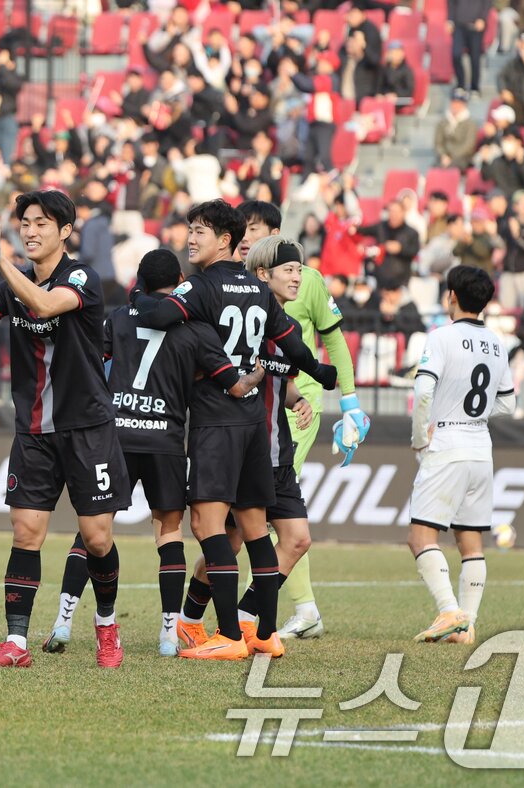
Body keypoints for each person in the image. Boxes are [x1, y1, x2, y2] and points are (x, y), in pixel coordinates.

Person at [0, 191, 136, 669]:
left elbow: (45, 305)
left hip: (87, 428)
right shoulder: (13, 283)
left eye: (42, 223)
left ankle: (107, 624)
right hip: (33, 431)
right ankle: (16, 642)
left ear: (65, 232)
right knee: (26, 532)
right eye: (24, 222)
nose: (30, 230)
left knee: (97, 539)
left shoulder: (81, 278)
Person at [132, 199, 337, 660]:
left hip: (216, 421)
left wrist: (141, 297)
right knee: (255, 528)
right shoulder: (259, 289)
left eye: (200, 231)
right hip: (254, 425)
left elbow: (157, 317)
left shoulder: (201, 286)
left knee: (207, 525)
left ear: (225, 240)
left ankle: (227, 634)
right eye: (190, 230)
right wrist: (320, 373)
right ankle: (263, 633)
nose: (190, 239)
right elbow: (291, 341)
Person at [38, 250, 262, 659]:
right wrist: (260, 371)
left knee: (93, 531)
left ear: (139, 281)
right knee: (169, 533)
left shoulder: (119, 318)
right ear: (180, 282)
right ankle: (168, 635)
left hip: (117, 437)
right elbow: (235, 385)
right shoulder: (195, 328)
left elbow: (92, 361)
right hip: (166, 442)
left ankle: (63, 621)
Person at [237, 202, 367, 640]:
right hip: (249, 406)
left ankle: (255, 612)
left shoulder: (306, 280)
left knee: (272, 509)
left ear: (275, 233)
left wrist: (349, 401)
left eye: (254, 229)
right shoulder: (239, 281)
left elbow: (335, 341)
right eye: (242, 230)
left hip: (296, 405)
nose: (245, 238)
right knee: (264, 516)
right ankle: (299, 608)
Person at [408, 266, 515, 644]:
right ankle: (466, 626)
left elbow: (423, 392)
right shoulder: (498, 343)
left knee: (421, 537)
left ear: (451, 295)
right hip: (481, 449)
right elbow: (508, 404)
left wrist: (421, 437)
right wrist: (475, 417)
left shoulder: (442, 337)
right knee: (470, 543)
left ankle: (449, 611)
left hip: (447, 445)